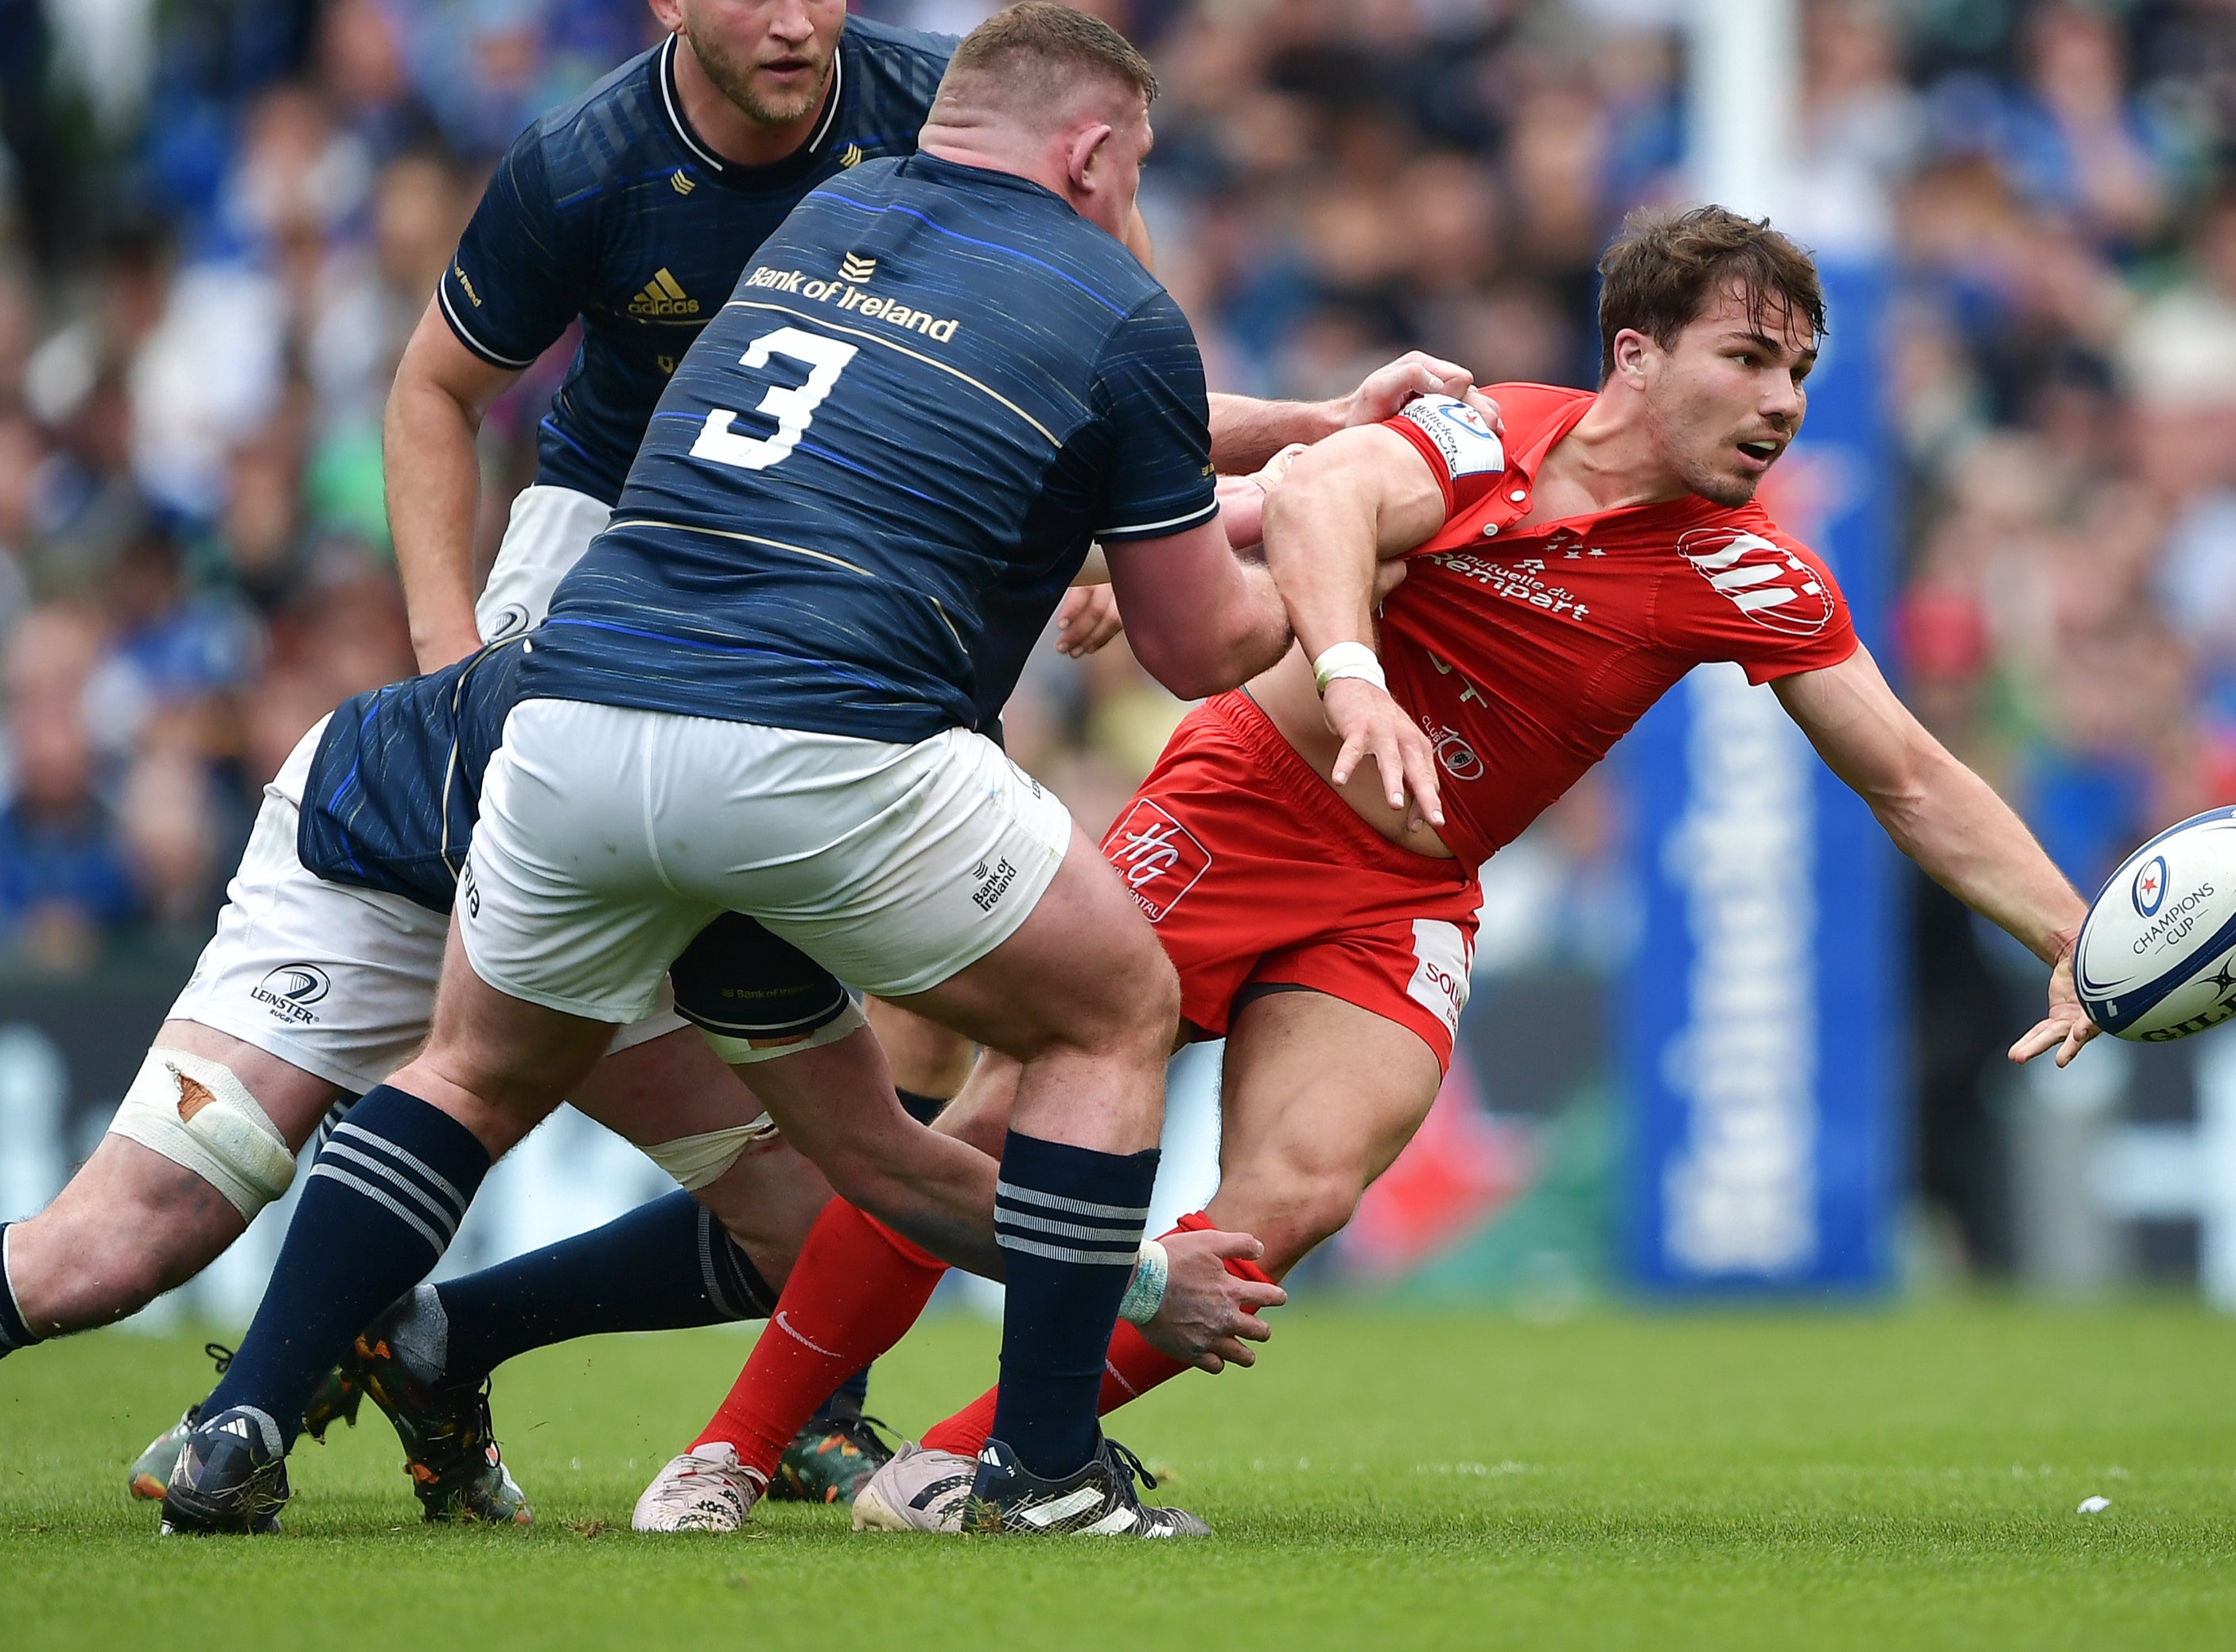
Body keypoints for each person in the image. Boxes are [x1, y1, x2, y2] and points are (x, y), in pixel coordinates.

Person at [632, 204, 2102, 1535]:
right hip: (1245, 805)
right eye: (1748, 359)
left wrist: (2073, 936)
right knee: (1010, 1119)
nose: (1782, 402)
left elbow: (1910, 774)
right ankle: (732, 1456)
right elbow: (1326, 495)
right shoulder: (1487, 436)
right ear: (1636, 356)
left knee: (1301, 1189)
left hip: (1408, 886)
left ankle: (966, 1469)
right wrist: (1336, 669)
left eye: (1798, 371)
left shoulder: (1752, 572)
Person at [382, 0, 1471, 1501]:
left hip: (782, 643)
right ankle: (1012, 1453)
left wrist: (1234, 474)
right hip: (653, 592)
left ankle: (426, 1344)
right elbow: (439, 388)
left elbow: (1074, 389)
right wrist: (1332, 591)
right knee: (1013, 1040)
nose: (800, 19)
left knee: (881, 1078)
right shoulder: (589, 162)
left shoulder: (897, 142)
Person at [157, 1, 1332, 1541]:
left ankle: (245, 1416)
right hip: (814, 739)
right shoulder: (1116, 303)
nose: (1137, 208)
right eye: (1139, 174)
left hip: (574, 714)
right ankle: (1044, 1469)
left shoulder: (831, 215)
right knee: (1112, 1000)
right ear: (1096, 152)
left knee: (476, 1075)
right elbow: (1192, 645)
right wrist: (1321, 557)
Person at [0, 632, 1278, 1534]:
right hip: (378, 858)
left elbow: (885, 1179)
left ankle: (421, 1342)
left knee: (822, 1238)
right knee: (109, 1253)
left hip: (616, 888)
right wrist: (1139, 1269)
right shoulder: (807, 741)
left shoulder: (815, 763)